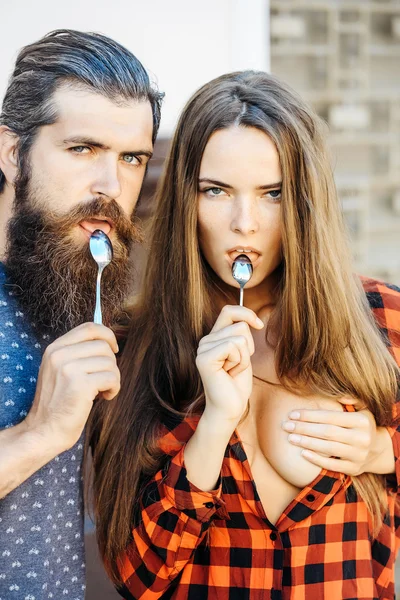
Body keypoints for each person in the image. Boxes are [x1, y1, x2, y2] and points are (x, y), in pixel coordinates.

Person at [89, 71, 400, 599]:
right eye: (216, 190)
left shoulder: (382, 318)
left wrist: (382, 451)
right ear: (186, 200)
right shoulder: (129, 350)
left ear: (305, 201)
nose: (244, 223)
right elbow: (138, 580)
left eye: (272, 193)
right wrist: (212, 427)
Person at [0, 29, 162, 599]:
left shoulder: (67, 286)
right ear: (13, 152)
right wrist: (38, 434)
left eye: (132, 158)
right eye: (82, 149)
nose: (110, 186)